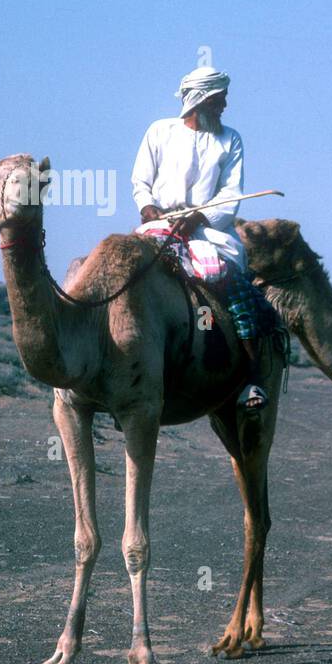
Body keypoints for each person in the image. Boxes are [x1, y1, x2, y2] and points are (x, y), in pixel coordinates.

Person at [131, 66, 269, 409]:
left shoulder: (230, 139)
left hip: (210, 231)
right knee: (132, 278)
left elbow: (231, 196)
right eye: (218, 100)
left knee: (235, 287)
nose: (224, 107)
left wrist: (198, 217)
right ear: (200, 100)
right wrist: (148, 208)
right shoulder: (159, 132)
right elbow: (141, 183)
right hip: (159, 226)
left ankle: (252, 378)